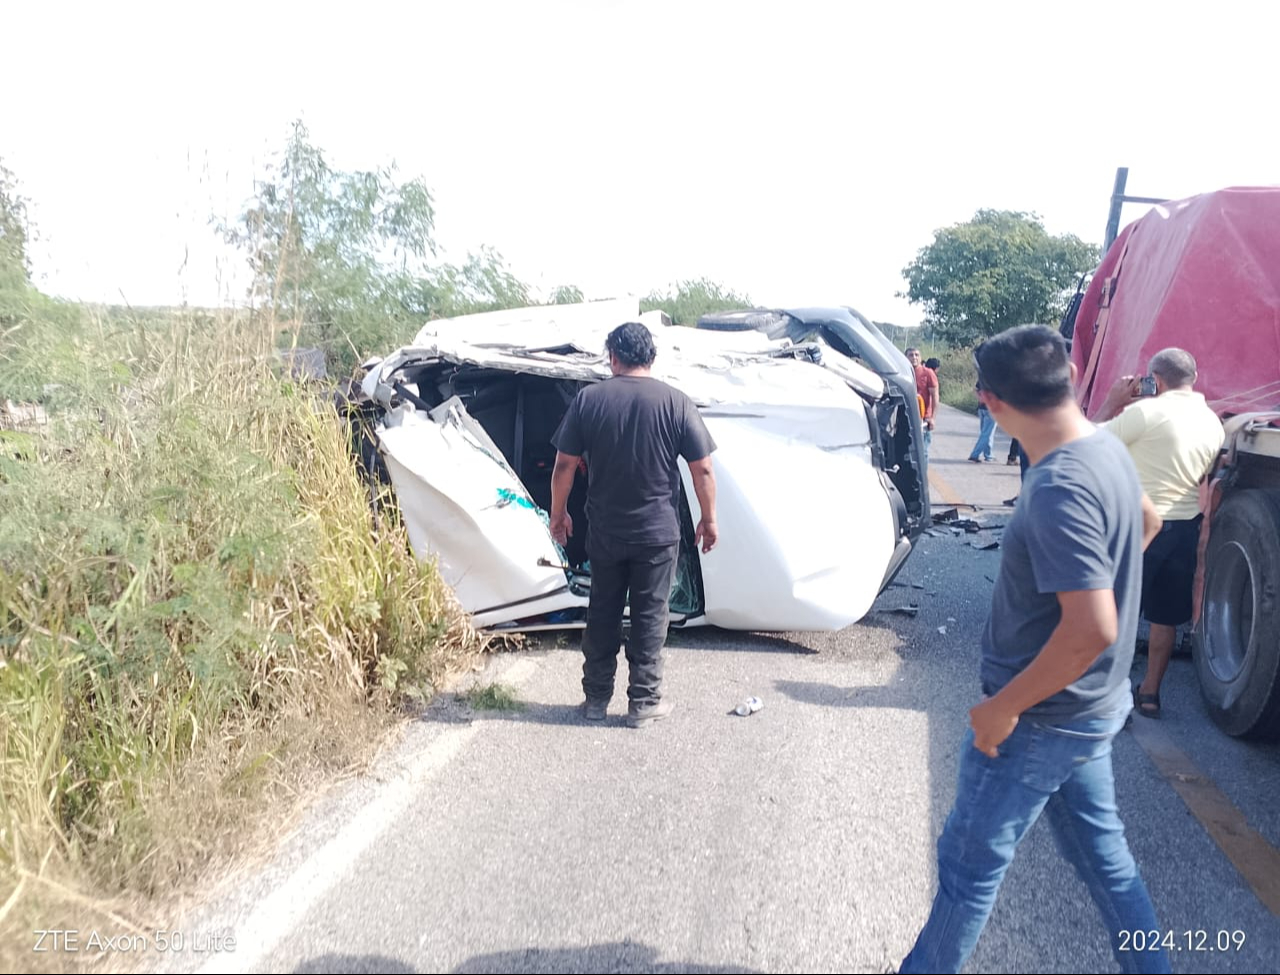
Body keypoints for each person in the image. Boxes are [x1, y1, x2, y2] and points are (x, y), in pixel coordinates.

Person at [900, 325, 1168, 975]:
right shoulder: (1102, 445)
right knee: (1107, 867)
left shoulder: (1058, 486)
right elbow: (1150, 516)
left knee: (968, 872)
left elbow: (1092, 629)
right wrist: (1102, 578)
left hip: (1040, 717)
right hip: (1089, 707)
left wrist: (1006, 707)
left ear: (989, 402)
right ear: (1070, 374)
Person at [550, 322, 718, 729]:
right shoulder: (676, 402)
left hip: (606, 531)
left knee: (602, 611)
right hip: (657, 535)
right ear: (652, 359)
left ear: (613, 357)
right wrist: (709, 519)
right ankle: (643, 704)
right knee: (650, 615)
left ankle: (594, 700)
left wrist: (559, 514)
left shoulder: (589, 400)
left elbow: (564, 465)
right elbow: (704, 471)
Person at [1094, 348, 1224, 717]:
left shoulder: (1144, 413)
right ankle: (1149, 694)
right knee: (1165, 618)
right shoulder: (1212, 422)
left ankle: (1106, 699)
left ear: (1158, 380)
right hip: (1184, 530)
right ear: (1193, 379)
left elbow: (1084, 444)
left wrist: (1112, 402)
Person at [906, 348, 939, 455]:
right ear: (905, 357)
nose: (914, 357)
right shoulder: (903, 372)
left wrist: (932, 418)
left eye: (917, 355)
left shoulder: (928, 373)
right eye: (911, 355)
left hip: (923, 419)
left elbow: (935, 396)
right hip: (906, 417)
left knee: (922, 452)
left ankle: (922, 472)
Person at [968, 384, 995, 462]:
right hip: (992, 409)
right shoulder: (998, 378)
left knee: (986, 433)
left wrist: (980, 399)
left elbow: (975, 389)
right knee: (987, 433)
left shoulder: (983, 375)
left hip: (981, 408)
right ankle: (975, 454)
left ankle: (988, 455)